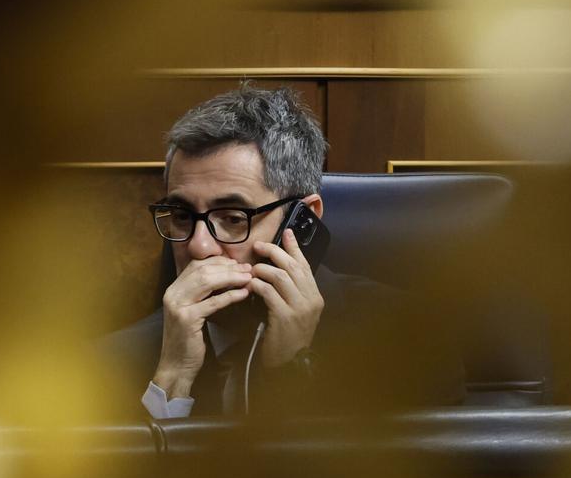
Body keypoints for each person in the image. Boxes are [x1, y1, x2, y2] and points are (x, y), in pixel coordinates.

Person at [104, 85, 465, 418]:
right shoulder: (106, 368)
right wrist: (172, 380)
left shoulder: (412, 347)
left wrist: (291, 371)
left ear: (303, 219)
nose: (198, 246)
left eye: (233, 218)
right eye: (183, 216)